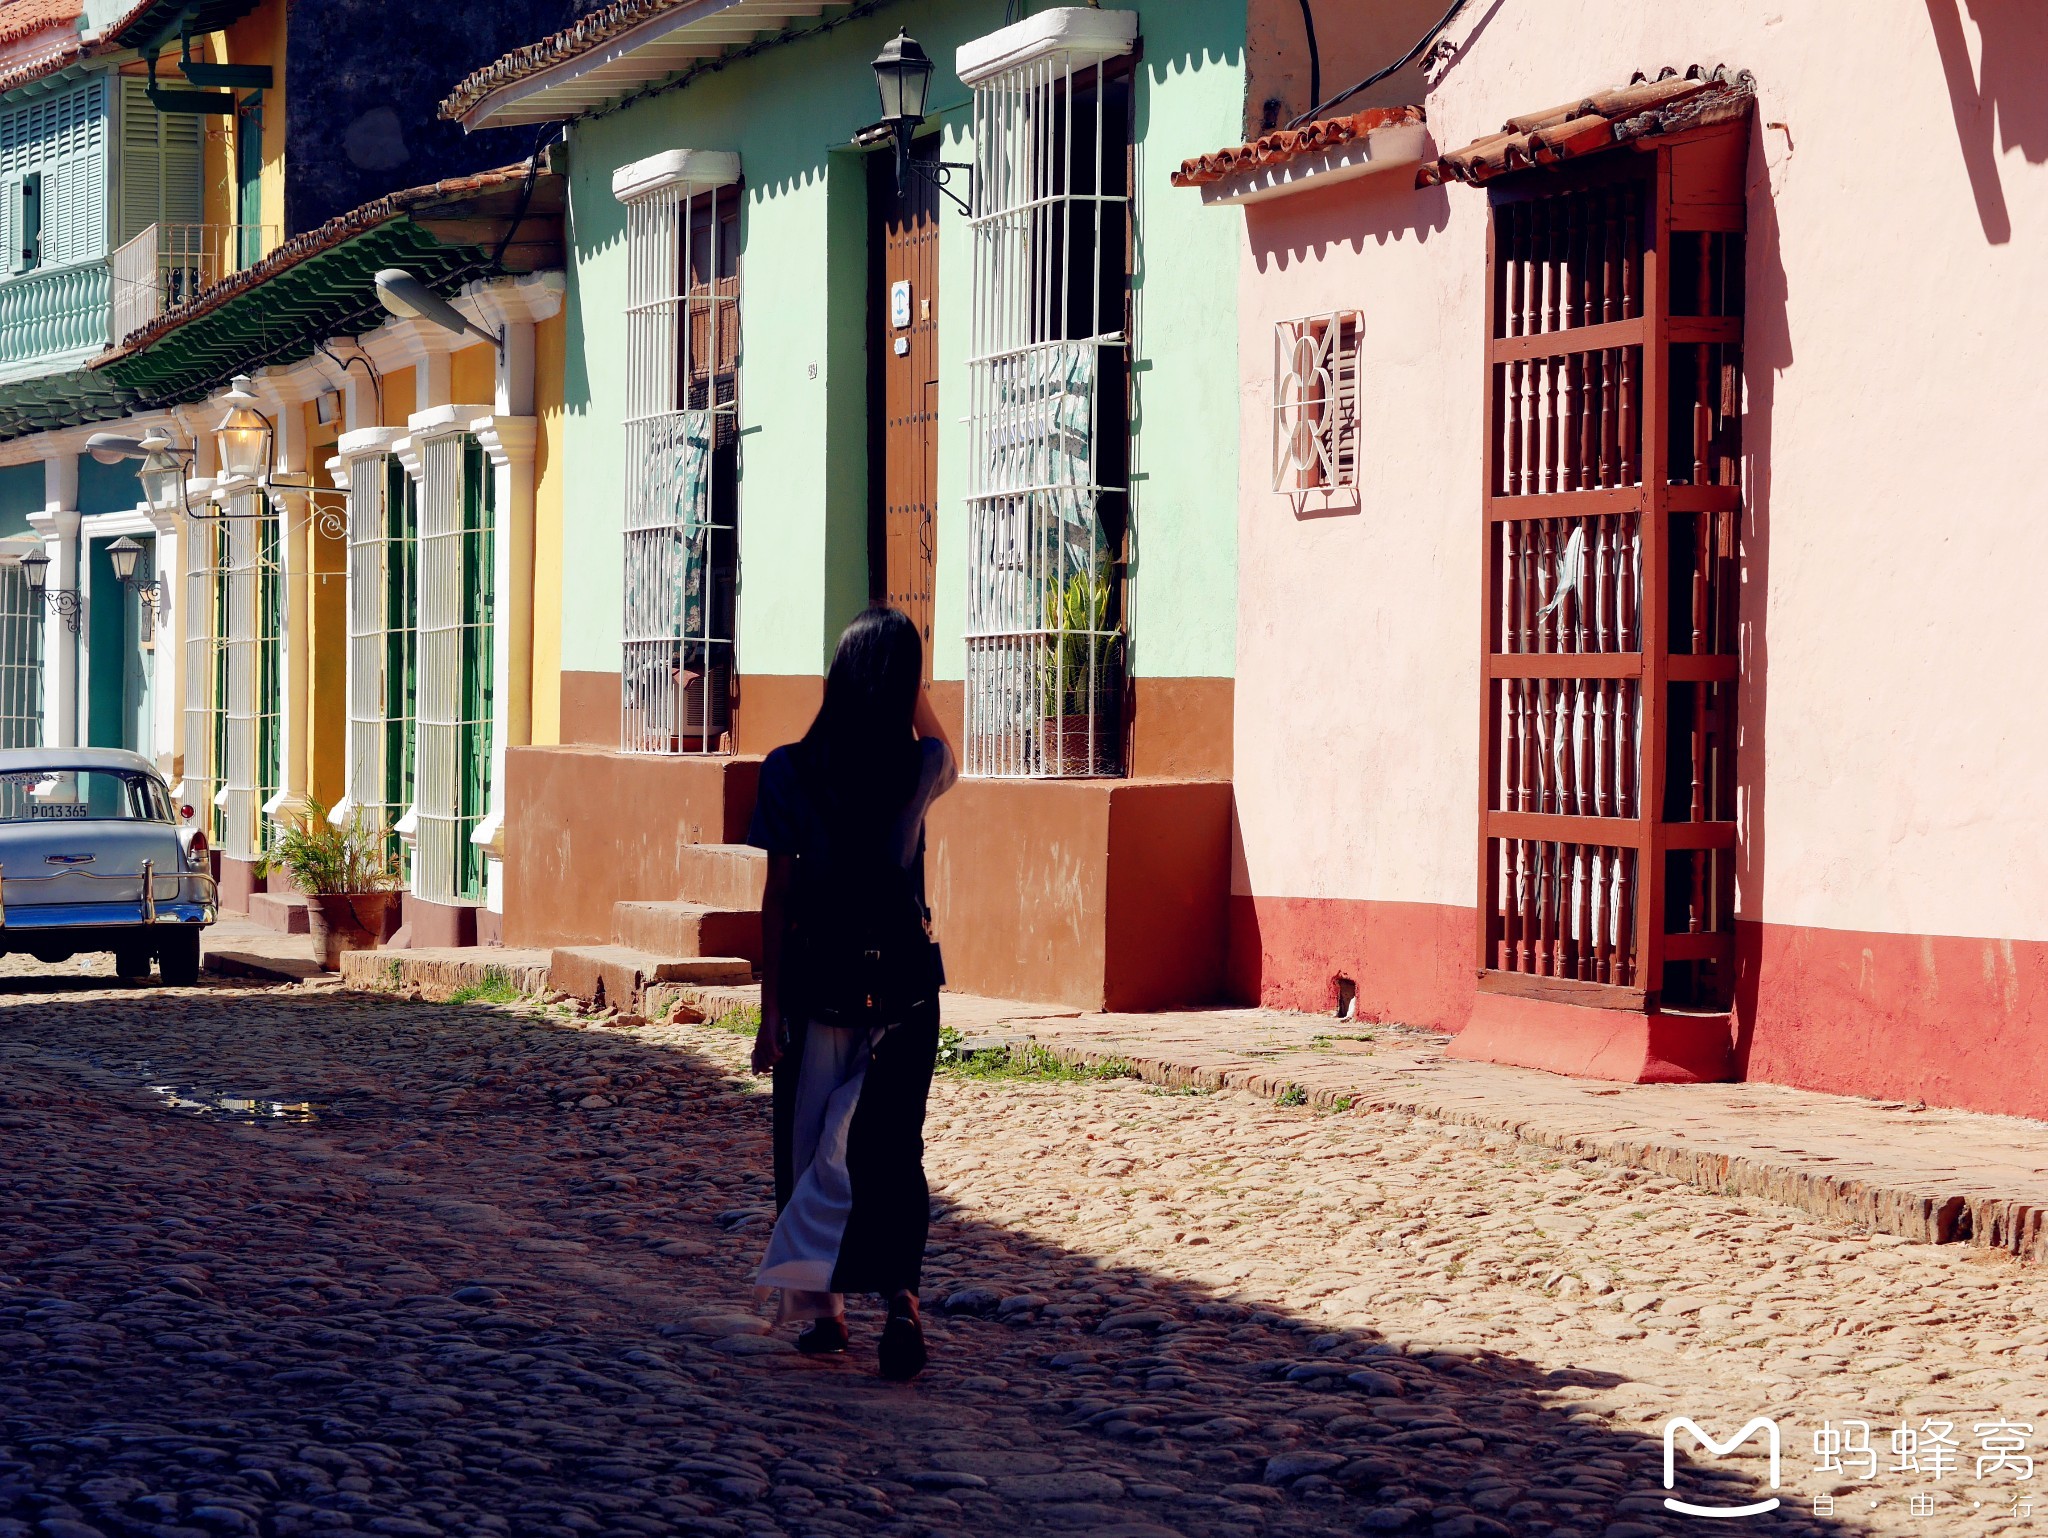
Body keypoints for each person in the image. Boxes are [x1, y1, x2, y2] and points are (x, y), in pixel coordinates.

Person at [747, 606, 957, 1381]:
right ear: (902, 688)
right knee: (894, 1150)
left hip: (818, 984)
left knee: (806, 1147)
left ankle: (824, 1312)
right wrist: (916, 684)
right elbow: (946, 748)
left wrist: (769, 1014)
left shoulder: (790, 770)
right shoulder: (917, 770)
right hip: (903, 985)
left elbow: (778, 899)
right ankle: (900, 1303)